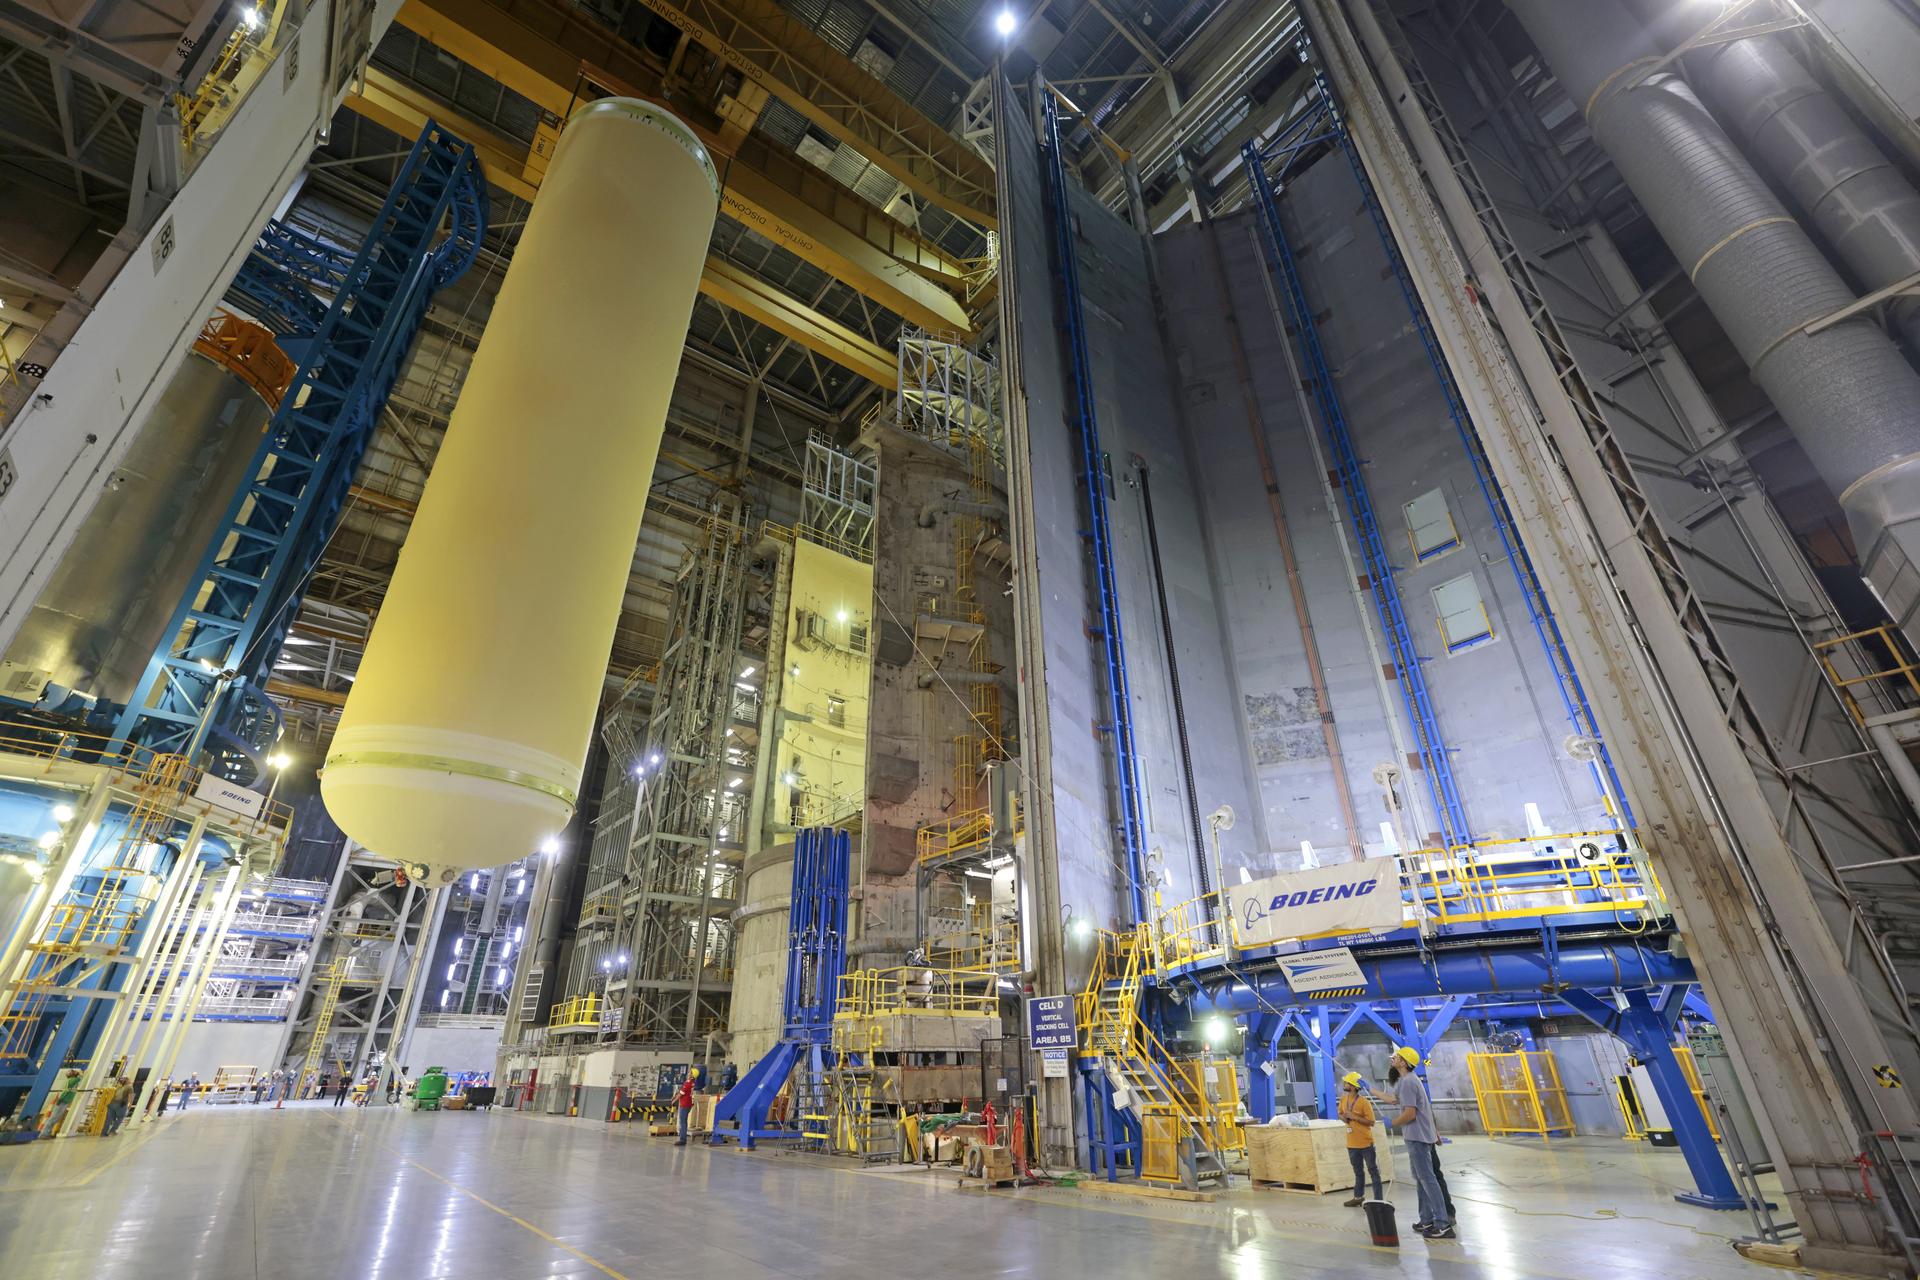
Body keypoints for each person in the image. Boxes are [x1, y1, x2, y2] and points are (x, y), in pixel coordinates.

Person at [1385, 1046, 1453, 1240]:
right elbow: (1393, 1100)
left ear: (1404, 1062)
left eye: (1396, 1057)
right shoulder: (1407, 1081)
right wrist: (1369, 1088)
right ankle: (1427, 1219)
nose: (1393, 1058)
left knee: (1428, 1180)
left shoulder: (1408, 1082)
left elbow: (1410, 1113)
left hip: (1418, 1137)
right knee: (1421, 1179)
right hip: (1417, 1136)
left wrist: (1392, 1124)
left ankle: (1443, 1224)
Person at [1338, 1071, 1383, 1207]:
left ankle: (1378, 1199)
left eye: (1346, 1082)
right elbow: (1340, 1113)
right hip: (1352, 1144)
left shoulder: (1364, 1103)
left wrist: (1355, 1117)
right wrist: (1344, 1117)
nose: (1344, 1084)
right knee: (1358, 1172)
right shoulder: (1343, 1099)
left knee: (1373, 1171)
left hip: (1366, 1144)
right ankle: (1358, 1197)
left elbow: (1371, 1122)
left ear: (1352, 1086)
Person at [41, 1068, 82, 1138]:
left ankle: (47, 1133)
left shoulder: (71, 1081)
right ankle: (44, 1134)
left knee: (56, 1118)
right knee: (54, 1117)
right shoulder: (72, 1080)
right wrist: (80, 1072)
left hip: (64, 1101)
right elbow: (79, 1078)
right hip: (62, 1101)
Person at [673, 1071, 695, 1146]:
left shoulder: (688, 1083)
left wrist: (673, 1101)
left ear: (692, 1075)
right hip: (689, 1104)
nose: (688, 1073)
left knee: (683, 1122)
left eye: (690, 1073)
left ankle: (682, 1139)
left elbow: (681, 1094)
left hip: (685, 1104)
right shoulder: (692, 1083)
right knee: (684, 1121)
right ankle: (683, 1138)